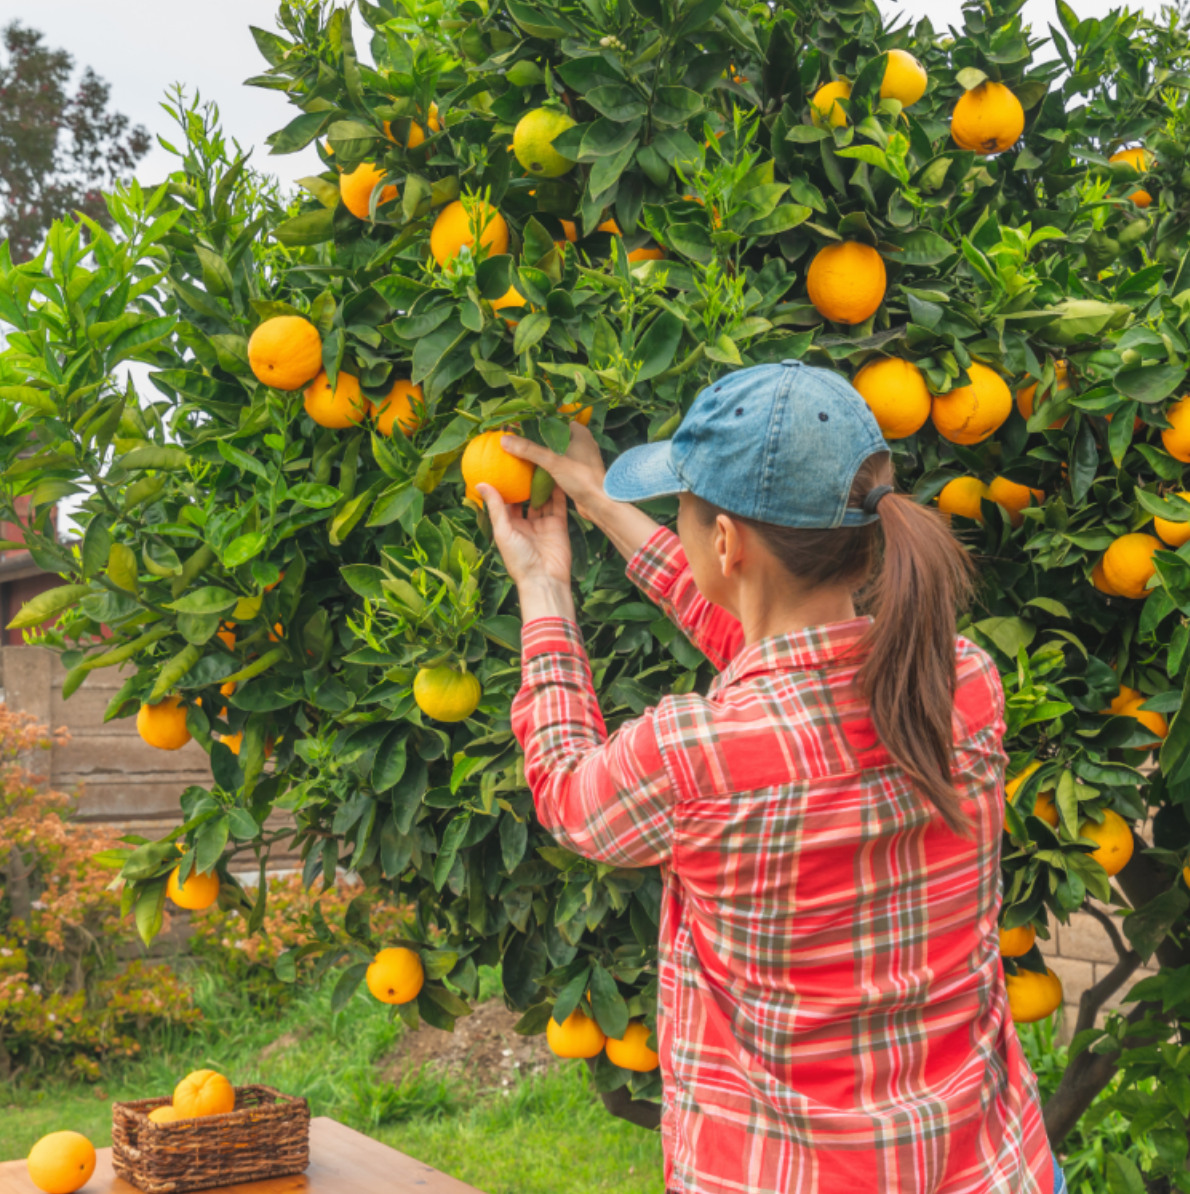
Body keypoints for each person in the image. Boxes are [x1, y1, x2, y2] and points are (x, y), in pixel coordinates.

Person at [475, 359, 1061, 1194]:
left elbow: (571, 794)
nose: (672, 521)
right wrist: (604, 506)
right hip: (985, 1167)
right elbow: (780, 656)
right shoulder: (962, 684)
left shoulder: (695, 759)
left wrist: (544, 589)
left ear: (724, 542)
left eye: (679, 504)